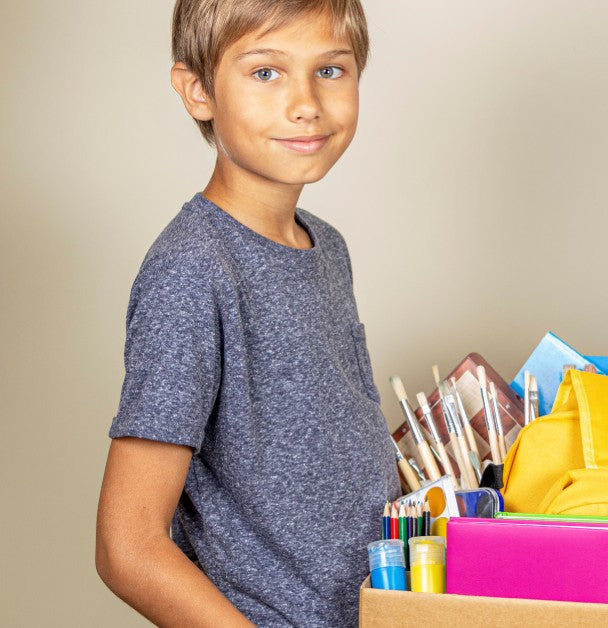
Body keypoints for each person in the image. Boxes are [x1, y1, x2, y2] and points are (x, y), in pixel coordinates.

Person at [95, 1, 399, 625]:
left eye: (331, 71)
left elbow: (310, 443)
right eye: (266, 73)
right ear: (198, 90)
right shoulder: (194, 270)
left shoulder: (326, 247)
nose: (306, 103)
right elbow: (127, 546)